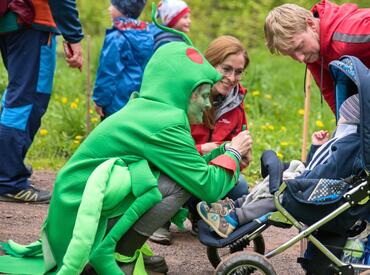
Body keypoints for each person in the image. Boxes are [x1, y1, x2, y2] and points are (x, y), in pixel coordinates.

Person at [0, 39, 253, 274]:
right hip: (80, 221)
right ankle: (119, 254)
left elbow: (189, 163)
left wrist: (221, 152)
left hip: (74, 207)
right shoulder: (168, 123)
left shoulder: (153, 109)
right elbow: (207, 187)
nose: (208, 104)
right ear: (184, 90)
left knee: (168, 177)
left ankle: (122, 249)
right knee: (179, 185)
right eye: (204, 95)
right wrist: (232, 152)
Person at [198, 94, 362, 238]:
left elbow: (329, 171)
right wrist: (316, 147)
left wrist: (300, 179)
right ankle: (238, 204)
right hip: (313, 183)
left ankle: (236, 217)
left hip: (320, 194)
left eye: (343, 115)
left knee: (278, 195)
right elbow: (318, 163)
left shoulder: (350, 145)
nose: (339, 117)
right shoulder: (343, 138)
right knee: (276, 179)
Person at [149, 35, 250, 245]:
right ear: (210, 64)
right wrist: (202, 149)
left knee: (239, 185)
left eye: (238, 72)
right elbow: (164, 147)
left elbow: (237, 143)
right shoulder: (187, 93)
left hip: (209, 172)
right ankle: (160, 218)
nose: (232, 78)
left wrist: (240, 156)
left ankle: (199, 216)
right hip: (179, 166)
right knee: (176, 174)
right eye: (226, 68)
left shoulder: (236, 102)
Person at [0, 0, 83, 203]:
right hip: (31, 23)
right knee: (27, 100)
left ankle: (7, 172)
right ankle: (9, 181)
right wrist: (73, 35)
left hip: (11, 21)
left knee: (17, 97)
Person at [264, 1, 370, 114]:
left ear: (311, 25)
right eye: (291, 54)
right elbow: (337, 101)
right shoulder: (314, 55)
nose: (300, 59)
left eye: (300, 46)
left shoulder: (350, 37)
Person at [93, 0, 154, 119]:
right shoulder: (146, 34)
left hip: (116, 102)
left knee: (111, 134)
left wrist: (100, 100)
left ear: (123, 9)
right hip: (137, 100)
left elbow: (108, 72)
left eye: (113, 5)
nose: (109, 8)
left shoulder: (116, 37)